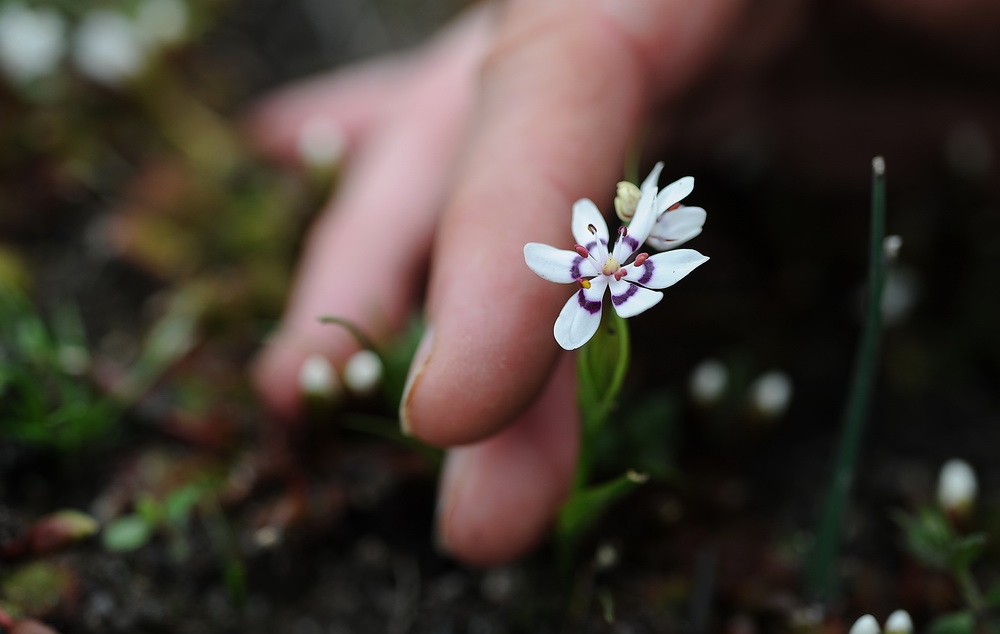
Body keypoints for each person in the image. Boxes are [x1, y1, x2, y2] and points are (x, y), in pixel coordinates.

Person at [247, 0, 998, 566]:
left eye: (617, 261)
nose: (610, 265)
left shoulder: (615, 273)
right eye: (606, 258)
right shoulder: (589, 283)